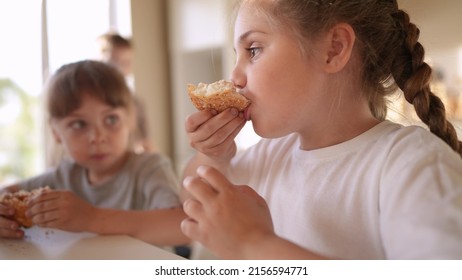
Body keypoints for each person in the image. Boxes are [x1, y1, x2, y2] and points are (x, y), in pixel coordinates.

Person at [180, 0, 462, 259]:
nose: (234, 77)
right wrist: (213, 155)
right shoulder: (269, 156)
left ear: (334, 49)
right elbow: (191, 205)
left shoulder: (414, 165)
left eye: (253, 50)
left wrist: (254, 244)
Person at [0, 60, 188, 248]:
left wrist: (90, 217)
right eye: (79, 124)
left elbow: (182, 228)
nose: (97, 137)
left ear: (130, 119)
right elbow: (7, 193)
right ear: (56, 132)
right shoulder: (65, 175)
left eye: (111, 119)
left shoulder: (149, 168)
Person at [97, 32, 153, 153]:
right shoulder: (89, 102)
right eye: (113, 62)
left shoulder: (136, 103)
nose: (119, 69)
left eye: (126, 63)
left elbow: (147, 143)